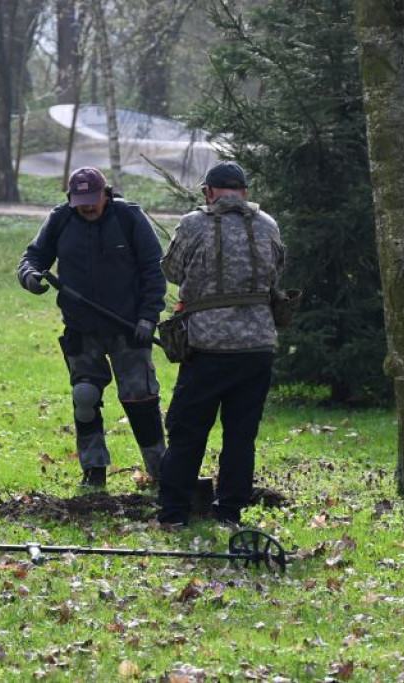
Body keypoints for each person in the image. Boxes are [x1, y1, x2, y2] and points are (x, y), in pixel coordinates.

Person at [17, 167, 167, 488]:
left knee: (140, 399)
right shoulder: (61, 219)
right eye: (79, 200)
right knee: (84, 396)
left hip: (129, 327)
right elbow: (32, 257)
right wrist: (31, 277)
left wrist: (148, 317)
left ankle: (160, 472)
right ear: (71, 199)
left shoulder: (128, 218)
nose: (87, 207)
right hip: (82, 329)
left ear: (105, 194)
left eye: (92, 200)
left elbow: (155, 270)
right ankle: (94, 471)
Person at [156, 161, 285, 526]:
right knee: (241, 435)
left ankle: (174, 513)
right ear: (244, 193)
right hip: (257, 347)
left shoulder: (194, 223)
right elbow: (277, 272)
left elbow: (171, 271)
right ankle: (229, 511)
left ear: (208, 193)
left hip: (207, 347)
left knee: (187, 431)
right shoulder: (268, 225)